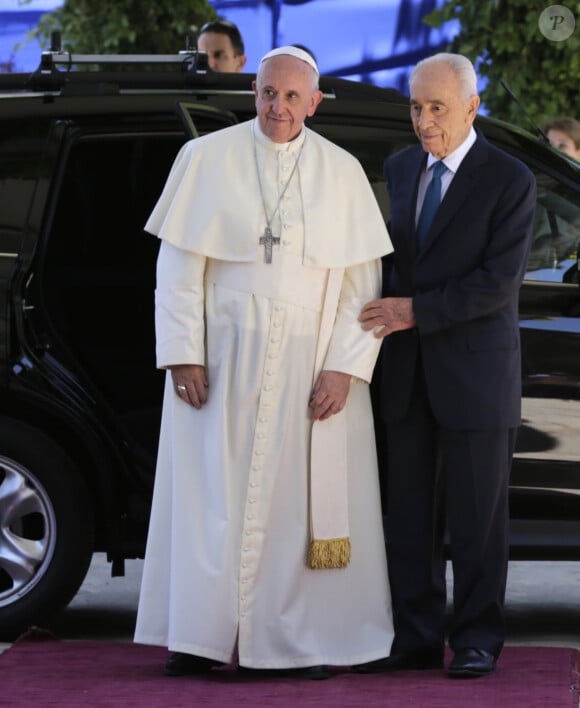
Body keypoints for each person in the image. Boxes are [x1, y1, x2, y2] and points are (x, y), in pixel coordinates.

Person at [134, 46, 394, 680]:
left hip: (310, 366)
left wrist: (344, 367)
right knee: (209, 496)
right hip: (222, 361)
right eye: (267, 94)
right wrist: (183, 353)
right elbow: (177, 268)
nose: (278, 108)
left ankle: (297, 640)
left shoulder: (343, 171)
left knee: (297, 504)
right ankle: (197, 637)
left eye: (291, 97)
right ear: (253, 91)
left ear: (315, 101)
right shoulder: (204, 158)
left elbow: (364, 284)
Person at [357, 53, 536, 678]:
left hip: (476, 376)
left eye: (437, 108)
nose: (424, 120)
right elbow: (386, 260)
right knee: (408, 519)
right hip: (406, 374)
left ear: (471, 107)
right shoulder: (401, 168)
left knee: (478, 522)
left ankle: (479, 639)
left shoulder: (510, 178)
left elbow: (497, 283)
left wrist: (415, 311)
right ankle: (414, 638)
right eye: (416, 106)